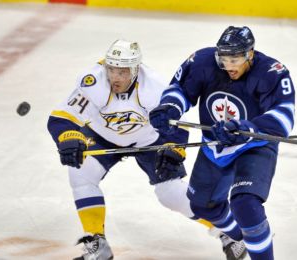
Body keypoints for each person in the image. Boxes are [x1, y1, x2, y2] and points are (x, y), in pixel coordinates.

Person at [47, 39, 246, 260]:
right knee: (80, 174)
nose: (115, 77)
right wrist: (68, 136)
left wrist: (174, 149)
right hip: (103, 136)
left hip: (149, 140)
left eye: (122, 72)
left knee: (170, 194)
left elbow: (177, 125)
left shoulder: (154, 87)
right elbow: (60, 118)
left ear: (135, 70)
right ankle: (97, 242)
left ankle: (231, 233)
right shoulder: (92, 82)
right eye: (111, 69)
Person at [149, 26, 295, 260]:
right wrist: (170, 108)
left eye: (234, 59)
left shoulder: (271, 72)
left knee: (245, 204)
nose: (228, 66)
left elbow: (284, 116)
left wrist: (247, 128)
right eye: (223, 59)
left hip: (254, 146)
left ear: (250, 54)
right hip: (216, 146)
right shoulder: (203, 61)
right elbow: (179, 90)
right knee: (202, 206)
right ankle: (245, 237)